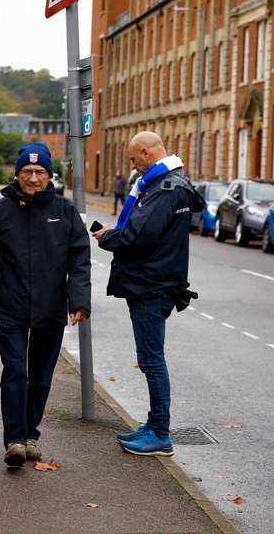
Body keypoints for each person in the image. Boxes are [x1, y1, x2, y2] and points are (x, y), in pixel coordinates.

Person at [0, 142, 91, 467]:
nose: (34, 178)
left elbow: (80, 257)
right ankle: (14, 439)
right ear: (17, 174)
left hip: (51, 308)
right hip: (10, 306)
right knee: (15, 370)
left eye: (40, 172)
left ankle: (31, 434)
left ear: (50, 175)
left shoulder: (64, 212)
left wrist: (79, 300)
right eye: (28, 171)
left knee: (41, 376)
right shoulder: (0, 211)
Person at [93, 131, 203, 457]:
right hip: (154, 282)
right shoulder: (168, 185)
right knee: (150, 359)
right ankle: (154, 424)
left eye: (133, 159)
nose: (132, 166)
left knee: (151, 361)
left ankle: (159, 433)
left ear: (145, 153)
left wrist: (107, 237)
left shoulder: (164, 189)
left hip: (150, 284)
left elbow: (139, 235)